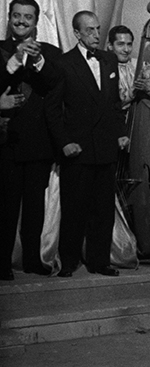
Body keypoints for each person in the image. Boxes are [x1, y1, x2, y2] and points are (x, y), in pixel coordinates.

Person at [45, 11, 128, 277]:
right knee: (74, 208)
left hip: (105, 147)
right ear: (77, 33)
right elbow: (53, 109)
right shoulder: (63, 63)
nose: (96, 34)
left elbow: (115, 104)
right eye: (90, 30)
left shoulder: (109, 59)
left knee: (103, 210)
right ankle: (69, 261)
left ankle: (99, 261)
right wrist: (65, 142)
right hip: (77, 149)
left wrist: (120, 132)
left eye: (98, 29)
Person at [0, 0, 62, 281]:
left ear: (37, 21)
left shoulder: (49, 52)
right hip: (7, 141)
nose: (21, 21)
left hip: (38, 143)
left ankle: (33, 260)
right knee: (5, 207)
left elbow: (54, 84)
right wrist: (14, 60)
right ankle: (1, 262)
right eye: (17, 16)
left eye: (28, 17)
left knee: (35, 208)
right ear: (9, 18)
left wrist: (36, 60)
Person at [106, 25, 150, 113]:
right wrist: (133, 91)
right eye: (121, 44)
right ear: (110, 46)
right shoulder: (104, 67)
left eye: (129, 44)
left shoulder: (141, 65)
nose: (126, 50)